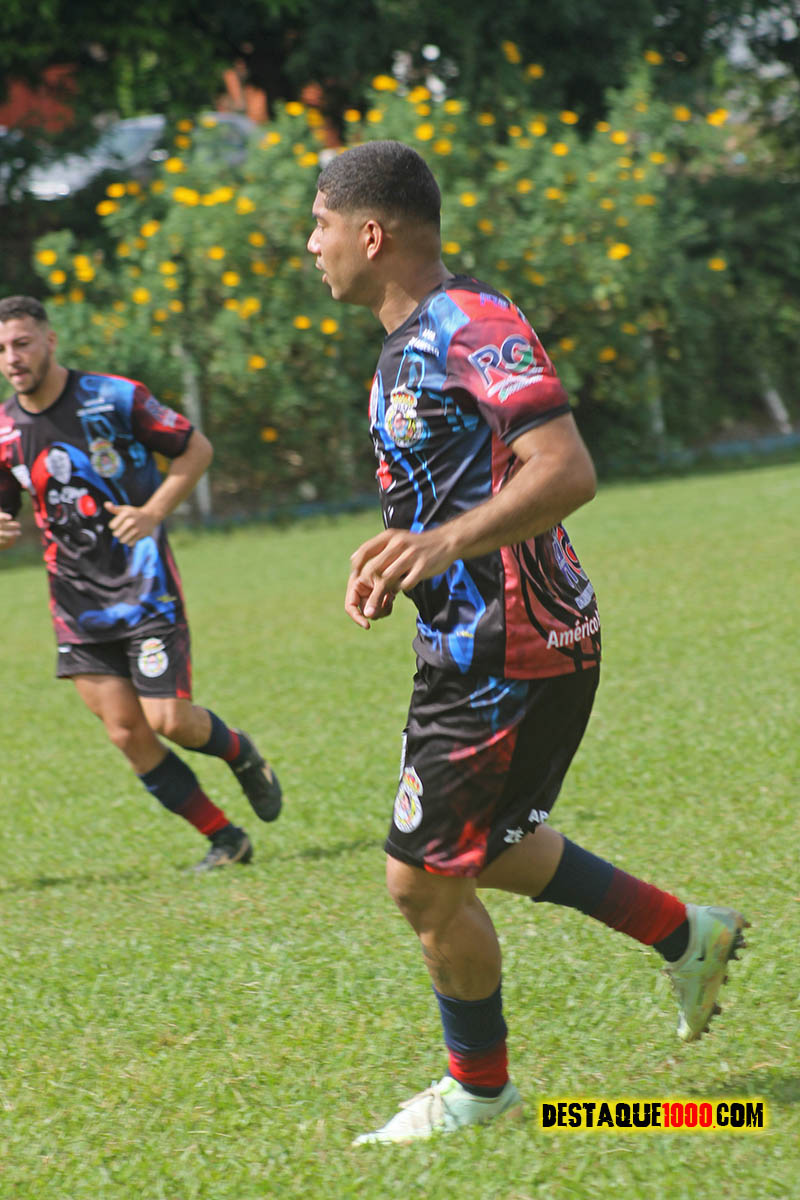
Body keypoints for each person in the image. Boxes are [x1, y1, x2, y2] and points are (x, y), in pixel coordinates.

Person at [307, 141, 749, 1145]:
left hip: (508, 647)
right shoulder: (403, 345)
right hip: (477, 639)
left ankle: (480, 1093)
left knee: (421, 881)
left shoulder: (471, 324)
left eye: (319, 225)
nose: (310, 246)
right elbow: (458, 495)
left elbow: (564, 468)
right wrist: (399, 557)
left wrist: (441, 545)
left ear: (369, 234)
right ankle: (685, 933)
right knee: (490, 847)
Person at [0, 295, 282, 871]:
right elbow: (6, 505)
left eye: (22, 343)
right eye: (2, 349)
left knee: (169, 721)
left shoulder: (114, 397)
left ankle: (241, 752)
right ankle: (226, 839)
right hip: (76, 604)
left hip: (144, 588)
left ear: (50, 341)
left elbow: (195, 448)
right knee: (127, 734)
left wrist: (153, 512)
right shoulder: (4, 429)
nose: (12, 358)